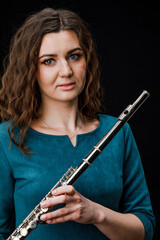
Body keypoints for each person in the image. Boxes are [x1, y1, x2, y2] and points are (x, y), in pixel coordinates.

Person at [0, 7, 155, 240]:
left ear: (87, 60)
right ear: (31, 70)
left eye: (74, 56)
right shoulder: (7, 138)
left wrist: (96, 214)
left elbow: (145, 229)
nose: (66, 71)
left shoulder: (118, 133)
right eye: (49, 61)